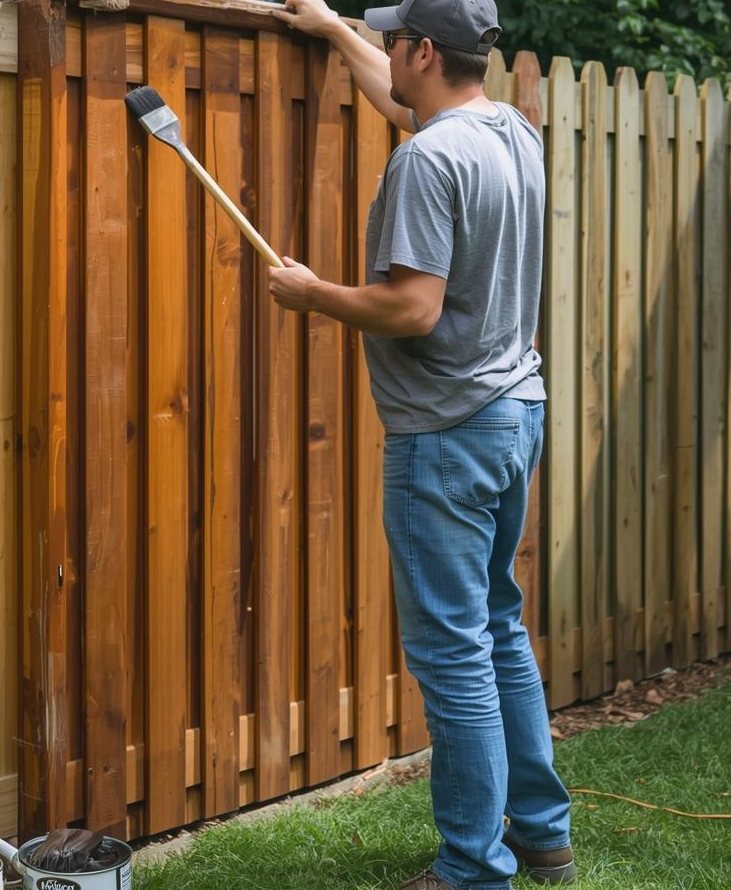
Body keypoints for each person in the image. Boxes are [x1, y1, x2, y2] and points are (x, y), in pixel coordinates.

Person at [267, 2, 574, 888]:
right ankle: (542, 834)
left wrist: (313, 292)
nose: (388, 55)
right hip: (514, 411)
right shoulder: (507, 129)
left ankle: (473, 869)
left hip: (444, 436)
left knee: (453, 655)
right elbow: (405, 102)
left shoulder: (426, 159)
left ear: (423, 50)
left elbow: (412, 308)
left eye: (394, 41)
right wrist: (331, 31)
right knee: (499, 629)